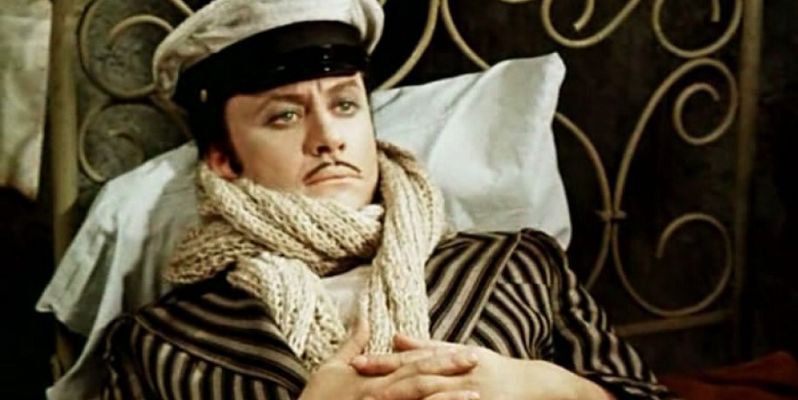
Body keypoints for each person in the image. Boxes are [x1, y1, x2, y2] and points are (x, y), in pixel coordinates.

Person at [101, 0, 676, 399]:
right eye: (284, 116)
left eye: (345, 105)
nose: (328, 136)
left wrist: (547, 387)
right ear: (223, 160)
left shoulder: (519, 263)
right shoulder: (160, 342)